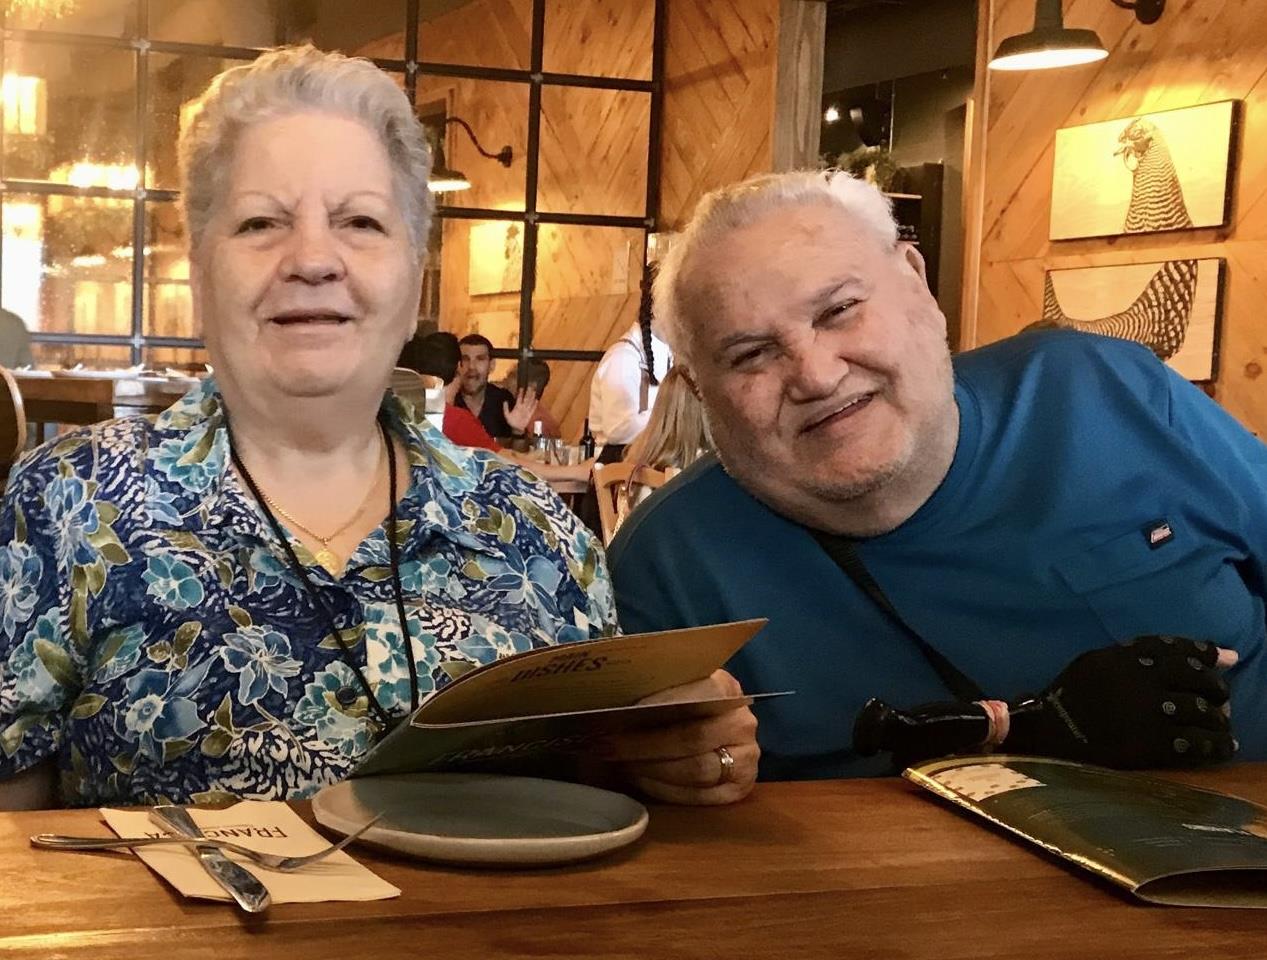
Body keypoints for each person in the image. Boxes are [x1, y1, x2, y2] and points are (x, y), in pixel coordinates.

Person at [0, 45, 756, 809]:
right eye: (261, 222)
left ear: (410, 275)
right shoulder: (73, 504)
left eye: (359, 221)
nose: (313, 258)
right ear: (200, 268)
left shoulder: (533, 532)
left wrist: (671, 755)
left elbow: (596, 800)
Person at [607, 169, 1267, 782]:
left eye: (838, 311)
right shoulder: (669, 569)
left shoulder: (1103, 392)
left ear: (915, 282)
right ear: (698, 390)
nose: (816, 374)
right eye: (751, 354)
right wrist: (670, 771)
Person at [588, 267, 673, 456]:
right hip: (619, 470)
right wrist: (672, 416)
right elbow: (619, 429)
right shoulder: (623, 357)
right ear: (657, 306)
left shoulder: (673, 355)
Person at [455, 333, 535, 441]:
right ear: (456, 364)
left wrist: (518, 431)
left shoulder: (502, 400)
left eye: (480, 359)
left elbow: (516, 455)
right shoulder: (449, 400)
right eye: (465, 359)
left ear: (491, 365)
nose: (471, 366)